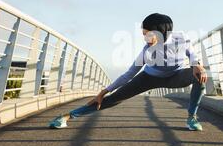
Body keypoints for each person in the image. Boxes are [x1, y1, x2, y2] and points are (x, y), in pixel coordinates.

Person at [48, 13, 208, 131]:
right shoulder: (146, 51)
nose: (144, 38)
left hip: (176, 77)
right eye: (143, 34)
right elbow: (129, 74)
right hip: (148, 78)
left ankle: (191, 118)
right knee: (112, 99)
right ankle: (66, 117)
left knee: (200, 77)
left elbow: (192, 53)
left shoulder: (180, 38)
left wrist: (197, 64)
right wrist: (103, 92)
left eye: (147, 34)